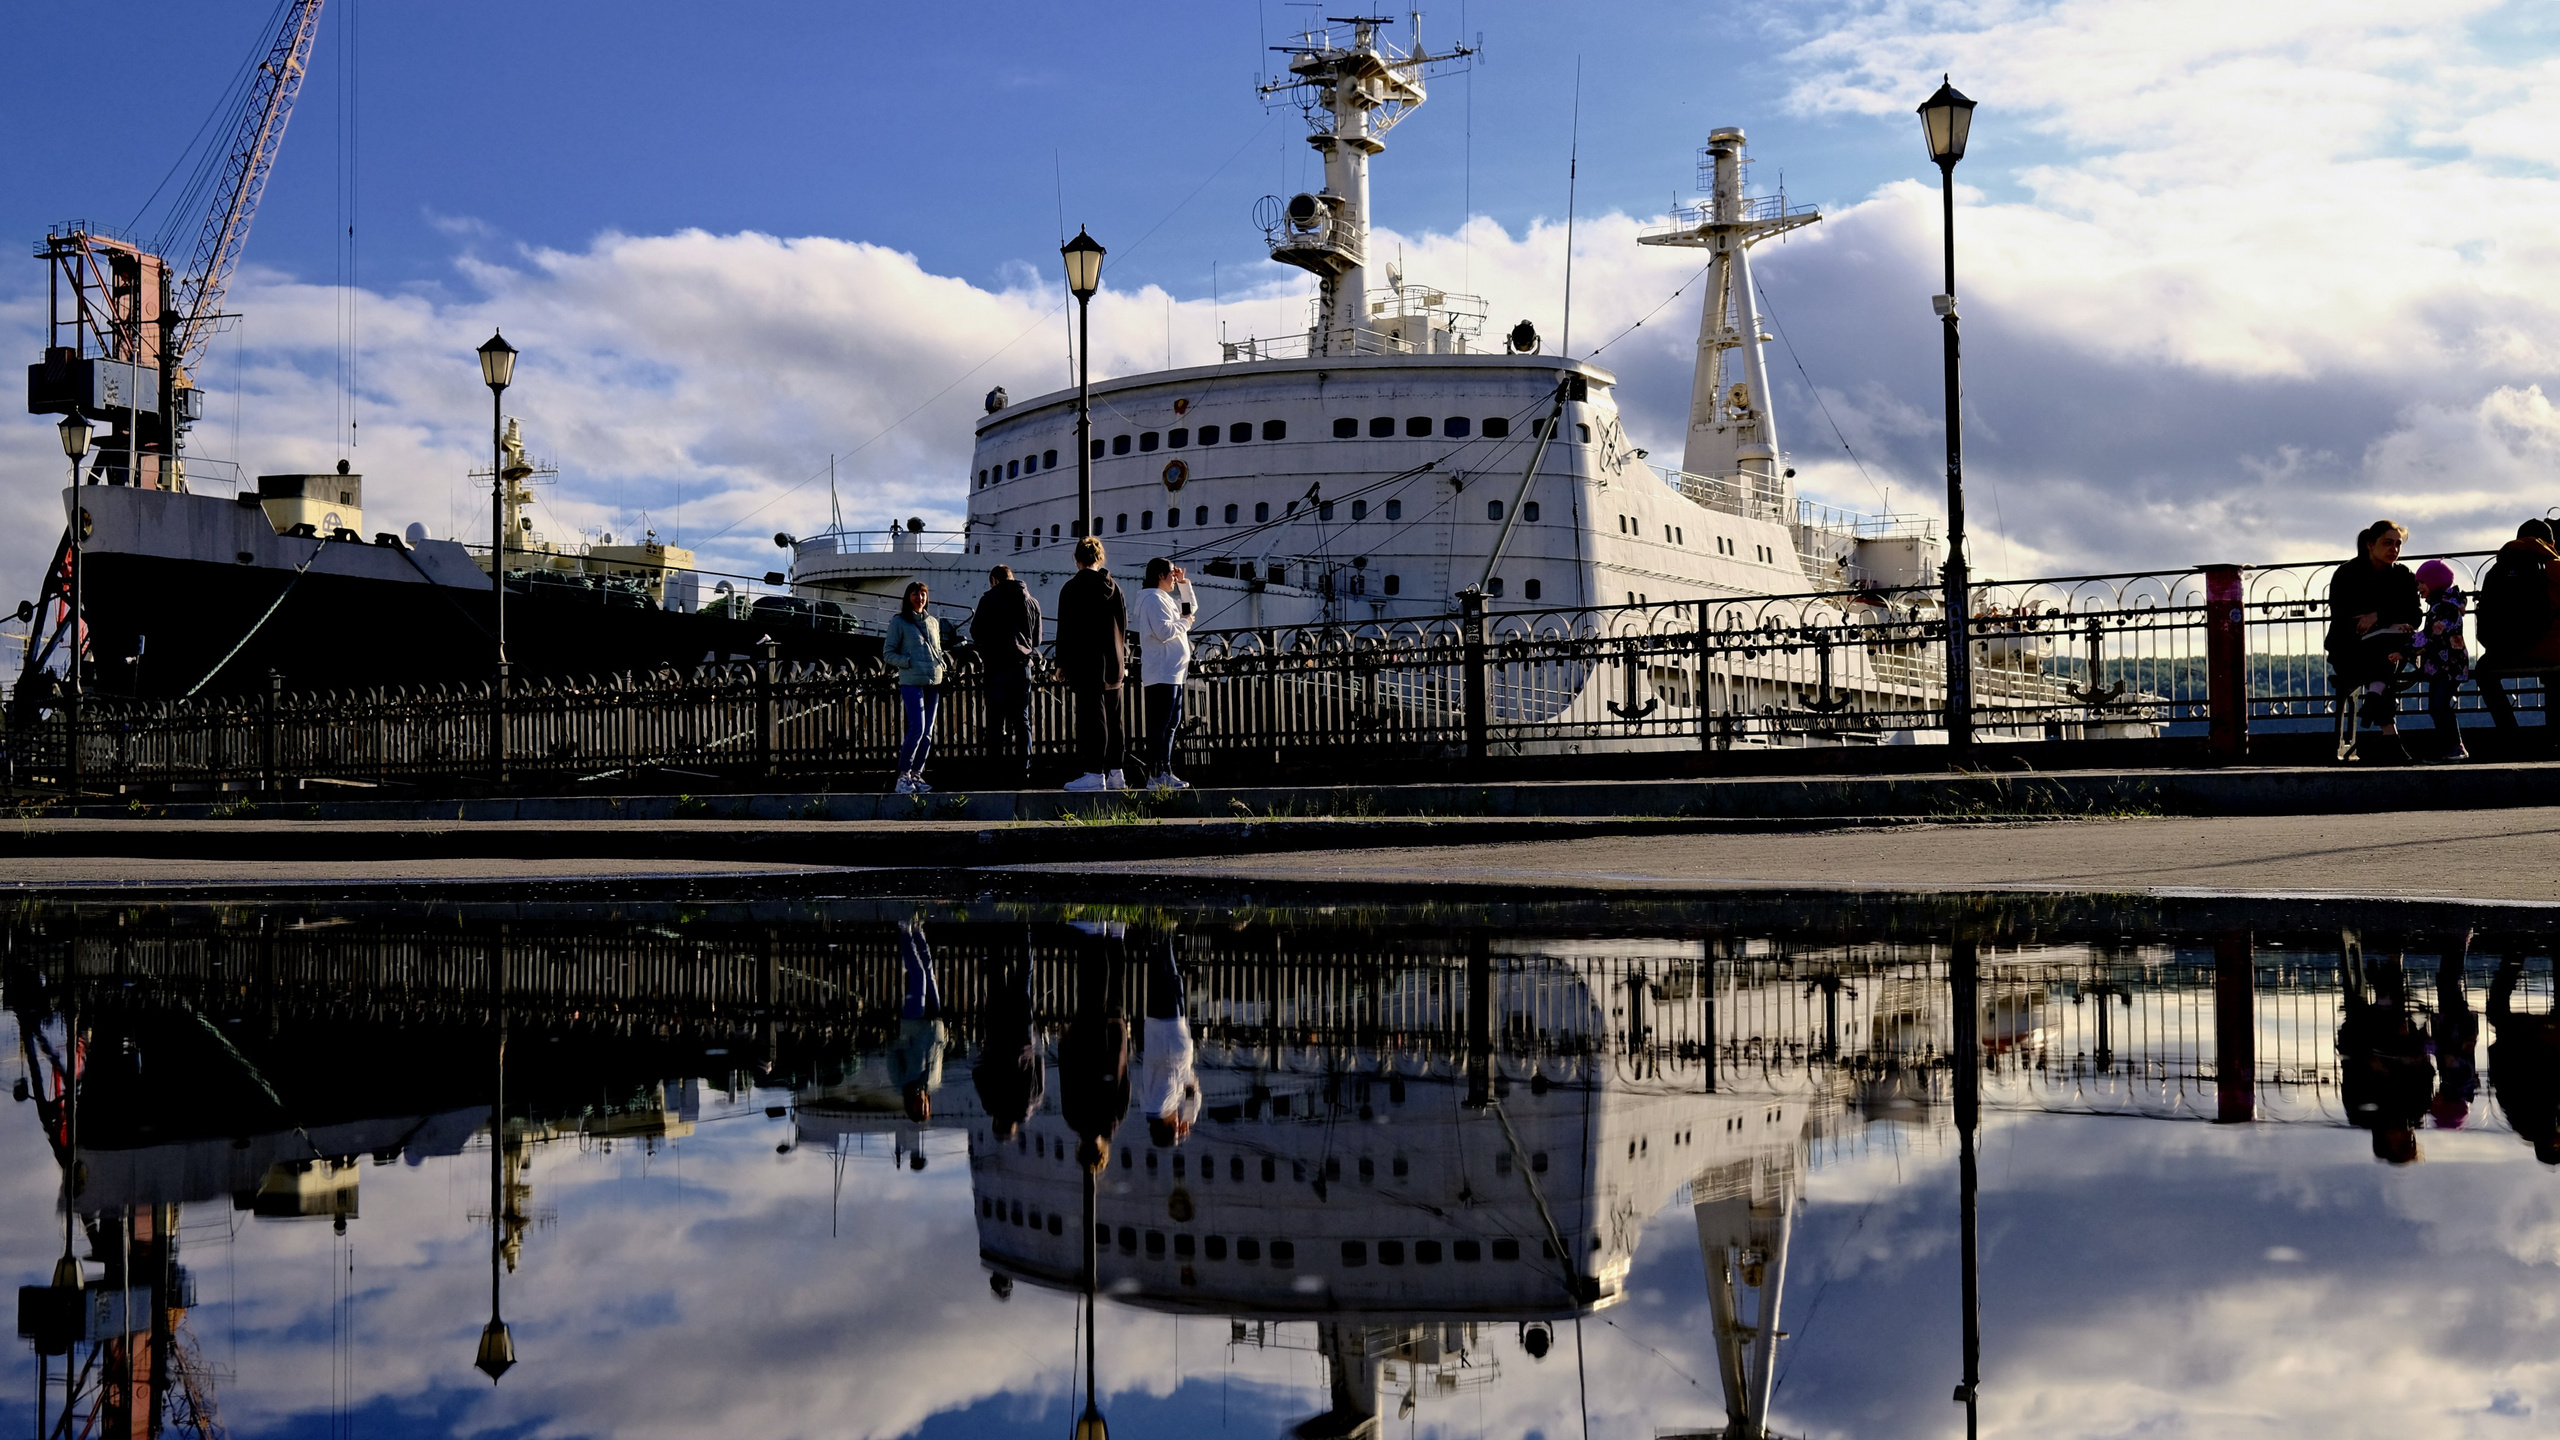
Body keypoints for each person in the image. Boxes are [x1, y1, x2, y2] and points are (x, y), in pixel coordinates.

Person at [2326, 520, 2420, 763]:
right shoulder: (2347, 574)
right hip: (2351, 650)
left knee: (2387, 653)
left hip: (2387, 649)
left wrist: (2378, 617)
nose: (2394, 549)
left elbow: (2414, 616)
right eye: (2388, 543)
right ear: (2370, 544)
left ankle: (2384, 721)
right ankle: (2382, 717)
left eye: (2398, 544)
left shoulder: (2403, 575)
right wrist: (2387, 622)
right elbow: (2345, 618)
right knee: (2385, 661)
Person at [2338, 937, 2430, 1164]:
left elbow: (2349, 1077)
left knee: (2363, 1027)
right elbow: (2427, 1075)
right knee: (2398, 1025)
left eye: (2404, 1144)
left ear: (2386, 1141)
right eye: (2412, 1144)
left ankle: (2366, 962)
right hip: (2396, 1046)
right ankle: (2391, 963)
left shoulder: (2362, 1116)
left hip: (2366, 1047)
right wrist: (2418, 1062)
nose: (2410, 1138)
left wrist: (2370, 1065)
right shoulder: (2415, 1112)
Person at [1055, 536, 1128, 791]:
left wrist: (1062, 662)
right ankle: (1117, 772)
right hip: (1114, 660)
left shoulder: (1072, 588)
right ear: (1100, 558)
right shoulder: (1114, 587)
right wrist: (1121, 655)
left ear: (1077, 559)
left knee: (1092, 718)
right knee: (1114, 716)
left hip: (1087, 661)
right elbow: (1123, 624)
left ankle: (1095, 773)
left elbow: (1066, 628)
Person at [1058, 921, 1131, 1169]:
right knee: (1092, 988)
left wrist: (1123, 1048)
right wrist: (1065, 1044)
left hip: (1113, 1045)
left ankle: (1116, 934)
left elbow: (1125, 1086)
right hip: (1085, 1045)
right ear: (1080, 1149)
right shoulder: (1073, 1119)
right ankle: (1095, 934)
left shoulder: (1113, 1122)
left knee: (1115, 990)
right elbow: (1066, 1077)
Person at [2475, 519, 2559, 734]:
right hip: (2552, 651)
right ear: (2552, 543)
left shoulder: (2497, 570)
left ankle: (2510, 733)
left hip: (2507, 651)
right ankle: (2554, 735)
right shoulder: (2556, 568)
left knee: (2483, 671)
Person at [971, 565, 1042, 786]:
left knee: (995, 722)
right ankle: (1024, 771)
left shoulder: (989, 599)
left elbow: (976, 632)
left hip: (996, 667)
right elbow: (1037, 639)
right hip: (1022, 667)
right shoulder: (1031, 601)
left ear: (994, 580)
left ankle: (994, 773)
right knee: (1022, 722)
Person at [2488, 953, 2560, 1165]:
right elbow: (2503, 1080)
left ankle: (2514, 959)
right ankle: (2512, 960)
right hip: (2525, 1045)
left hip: (2532, 1047)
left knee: (2498, 1013)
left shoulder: (2535, 1122)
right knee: (2497, 1012)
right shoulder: (2521, 1121)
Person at [972, 938, 1046, 1144]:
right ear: (995, 1123)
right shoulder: (990, 1104)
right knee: (996, 975)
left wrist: (1031, 1053)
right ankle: (998, 930)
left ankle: (1025, 931)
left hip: (1022, 1037)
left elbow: (1039, 1068)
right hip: (995, 1034)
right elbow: (977, 1074)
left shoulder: (1030, 1104)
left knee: (1024, 976)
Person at [882, 580, 952, 794]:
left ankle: (916, 774)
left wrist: (942, 667)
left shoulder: (933, 622)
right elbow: (888, 653)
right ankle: (903, 776)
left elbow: (937, 650)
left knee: (928, 731)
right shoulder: (899, 622)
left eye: (923, 594)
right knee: (917, 728)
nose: (919, 598)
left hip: (933, 681)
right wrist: (909, 662)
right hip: (911, 680)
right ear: (907, 597)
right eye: (915, 594)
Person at [1133, 557, 1197, 790]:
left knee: (1171, 723)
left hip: (1173, 672)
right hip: (1161, 671)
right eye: (1171, 574)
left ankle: (1165, 770)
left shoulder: (1163, 598)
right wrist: (1186, 623)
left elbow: (1190, 609)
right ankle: (1157, 773)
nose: (1174, 577)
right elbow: (1163, 631)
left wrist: (1183, 584)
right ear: (1160, 575)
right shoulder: (1152, 599)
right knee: (1161, 725)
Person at [1138, 933, 1201, 1147]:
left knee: (1165, 976)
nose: (1178, 1124)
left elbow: (1176, 1076)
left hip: (1165, 1031)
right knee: (1173, 979)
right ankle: (1164, 934)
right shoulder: (1155, 1106)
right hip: (1171, 1031)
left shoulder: (1159, 1104)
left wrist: (1187, 1110)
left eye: (1175, 1127)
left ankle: (1161, 932)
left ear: (1169, 1127)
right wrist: (1188, 1112)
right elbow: (1188, 1081)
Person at [2411, 559, 2471, 762]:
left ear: (2434, 582)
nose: (2418, 587)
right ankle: (2450, 747)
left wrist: (2405, 649)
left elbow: (2433, 634)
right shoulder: (2443, 604)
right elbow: (2432, 633)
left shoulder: (2443, 607)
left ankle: (2455, 747)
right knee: (2437, 705)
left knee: (2439, 705)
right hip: (2443, 665)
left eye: (2422, 582)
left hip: (2448, 665)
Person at [891, 915, 945, 1128]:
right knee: (929, 974)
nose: (922, 1106)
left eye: (918, 1110)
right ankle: (919, 932)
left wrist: (907, 1041)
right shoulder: (933, 1083)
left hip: (914, 1023)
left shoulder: (902, 1083)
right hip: (934, 1024)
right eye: (925, 1110)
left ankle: (905, 932)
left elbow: (891, 1054)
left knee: (919, 975)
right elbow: (939, 1055)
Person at [2432, 931, 2479, 1132]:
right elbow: (2459, 1059)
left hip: (2455, 1024)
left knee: (2447, 982)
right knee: (2448, 983)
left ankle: (2456, 944)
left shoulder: (2460, 1086)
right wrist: (2450, 1056)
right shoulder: (2456, 1082)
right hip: (2456, 1025)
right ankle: (2460, 943)